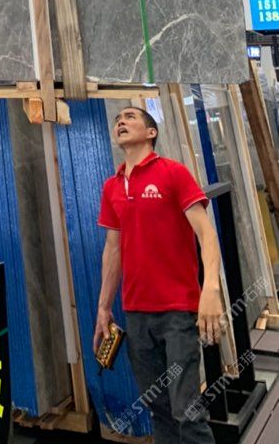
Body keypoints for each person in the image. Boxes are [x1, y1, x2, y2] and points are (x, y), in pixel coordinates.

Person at [94, 106, 223, 444]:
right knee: (159, 409)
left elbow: (207, 234)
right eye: (118, 120)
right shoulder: (111, 187)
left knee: (186, 411)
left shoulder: (173, 173)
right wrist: (104, 308)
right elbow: (113, 250)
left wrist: (210, 289)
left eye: (130, 117)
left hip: (177, 312)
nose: (121, 122)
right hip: (136, 315)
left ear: (151, 132)